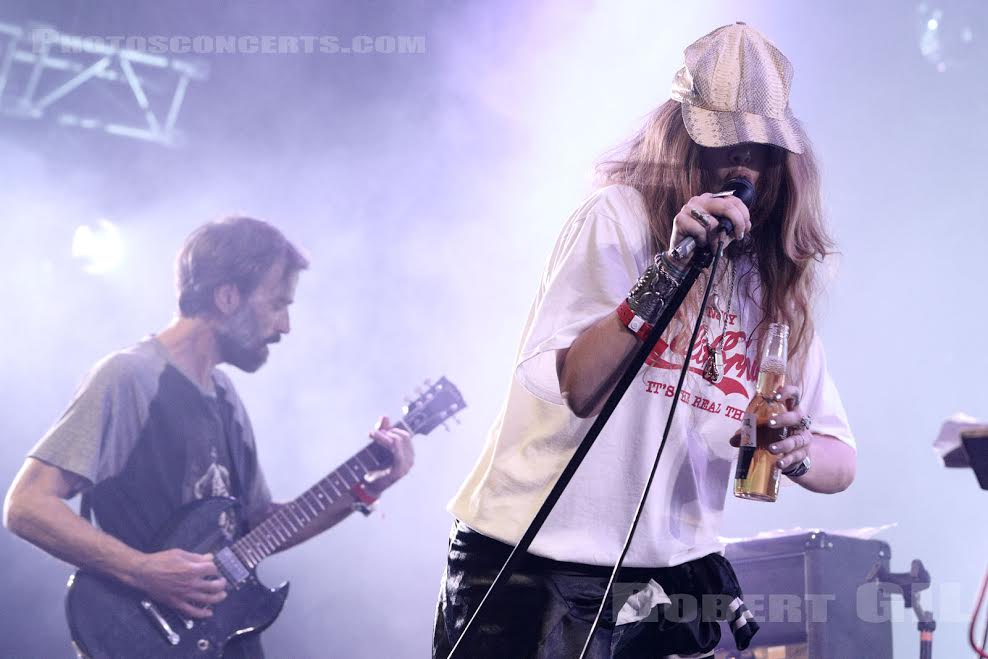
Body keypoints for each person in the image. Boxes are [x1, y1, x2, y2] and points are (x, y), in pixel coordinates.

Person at [433, 22, 857, 659]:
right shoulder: (618, 218)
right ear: (684, 138)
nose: (742, 161)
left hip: (666, 578)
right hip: (536, 562)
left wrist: (795, 454)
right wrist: (673, 268)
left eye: (759, 147)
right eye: (725, 141)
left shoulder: (770, 280)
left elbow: (840, 459)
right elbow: (578, 386)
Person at [3, 216, 414, 658]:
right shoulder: (130, 377)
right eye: (278, 304)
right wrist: (140, 570)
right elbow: (26, 505)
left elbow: (256, 525)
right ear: (227, 297)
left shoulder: (225, 397)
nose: (285, 326)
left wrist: (365, 490)